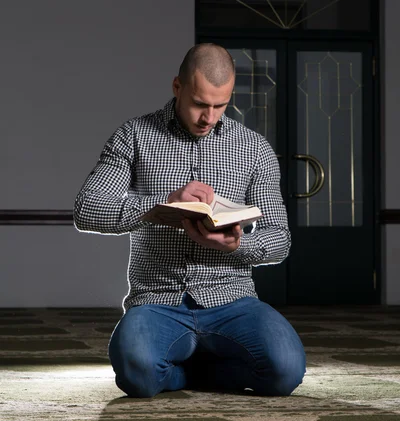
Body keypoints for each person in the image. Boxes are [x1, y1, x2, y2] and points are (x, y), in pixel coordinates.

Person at [74, 43, 306, 398]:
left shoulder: (255, 148)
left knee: (285, 372)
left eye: (220, 105)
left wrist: (238, 245)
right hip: (156, 300)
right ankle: (194, 373)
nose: (209, 118)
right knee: (137, 373)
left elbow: (279, 239)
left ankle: (189, 370)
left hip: (233, 299)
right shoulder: (134, 135)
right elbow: (88, 208)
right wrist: (159, 206)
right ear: (177, 87)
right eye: (200, 104)